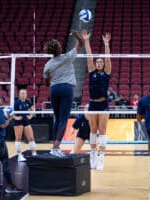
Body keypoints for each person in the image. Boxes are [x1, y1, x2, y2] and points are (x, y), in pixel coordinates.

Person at [43, 30, 84, 157]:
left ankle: (55, 146)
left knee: (57, 118)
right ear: (59, 49)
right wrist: (77, 35)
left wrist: (52, 78)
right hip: (66, 88)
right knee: (63, 119)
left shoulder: (48, 65)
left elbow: (46, 82)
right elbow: (80, 44)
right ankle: (56, 147)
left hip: (54, 89)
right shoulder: (67, 57)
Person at [81, 29, 111, 170]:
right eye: (97, 61)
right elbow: (89, 56)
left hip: (104, 104)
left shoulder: (107, 72)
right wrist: (86, 41)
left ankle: (101, 158)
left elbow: (108, 58)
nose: (99, 63)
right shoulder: (92, 71)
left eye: (101, 62)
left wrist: (106, 44)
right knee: (93, 130)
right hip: (93, 104)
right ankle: (93, 156)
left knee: (102, 130)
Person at [13, 88, 37, 162]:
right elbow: (10, 112)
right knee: (18, 138)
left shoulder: (28, 101)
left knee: (31, 138)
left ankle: (34, 154)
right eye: (22, 93)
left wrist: (30, 115)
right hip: (18, 122)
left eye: (24, 93)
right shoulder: (16, 102)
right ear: (19, 95)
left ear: (26, 94)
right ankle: (19, 155)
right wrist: (16, 117)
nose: (23, 95)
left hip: (26, 121)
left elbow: (33, 108)